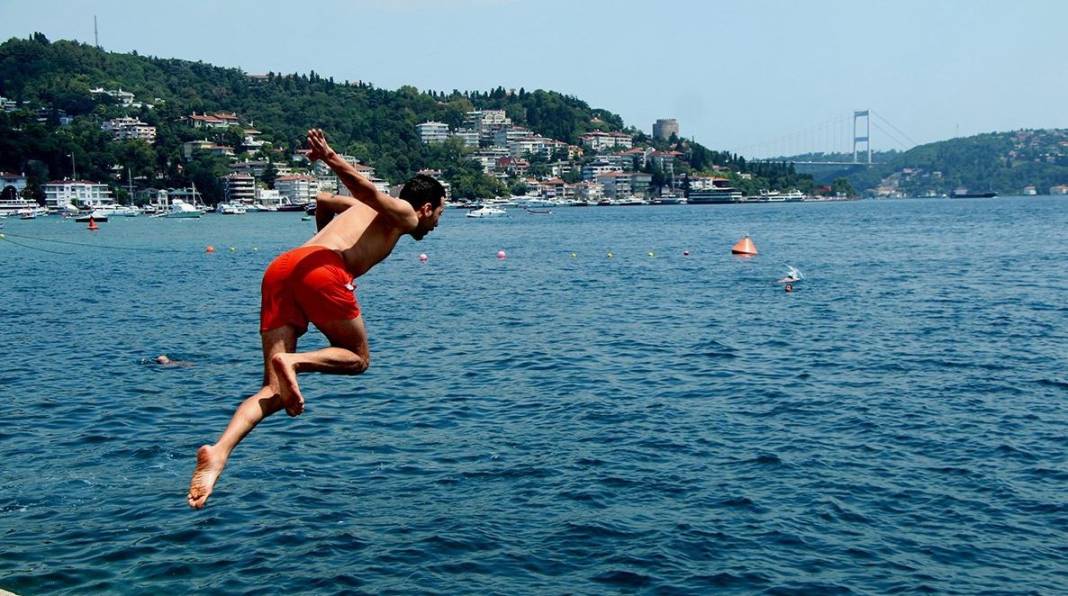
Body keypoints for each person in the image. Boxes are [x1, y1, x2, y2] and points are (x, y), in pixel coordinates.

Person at [187, 129, 446, 509]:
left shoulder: (365, 213)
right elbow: (369, 191)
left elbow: (324, 200)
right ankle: (292, 362)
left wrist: (320, 241)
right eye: (440, 213)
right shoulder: (405, 214)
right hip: (323, 270)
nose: (438, 223)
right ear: (426, 207)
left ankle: (219, 453)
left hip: (283, 266)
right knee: (357, 359)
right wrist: (330, 158)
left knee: (274, 390)